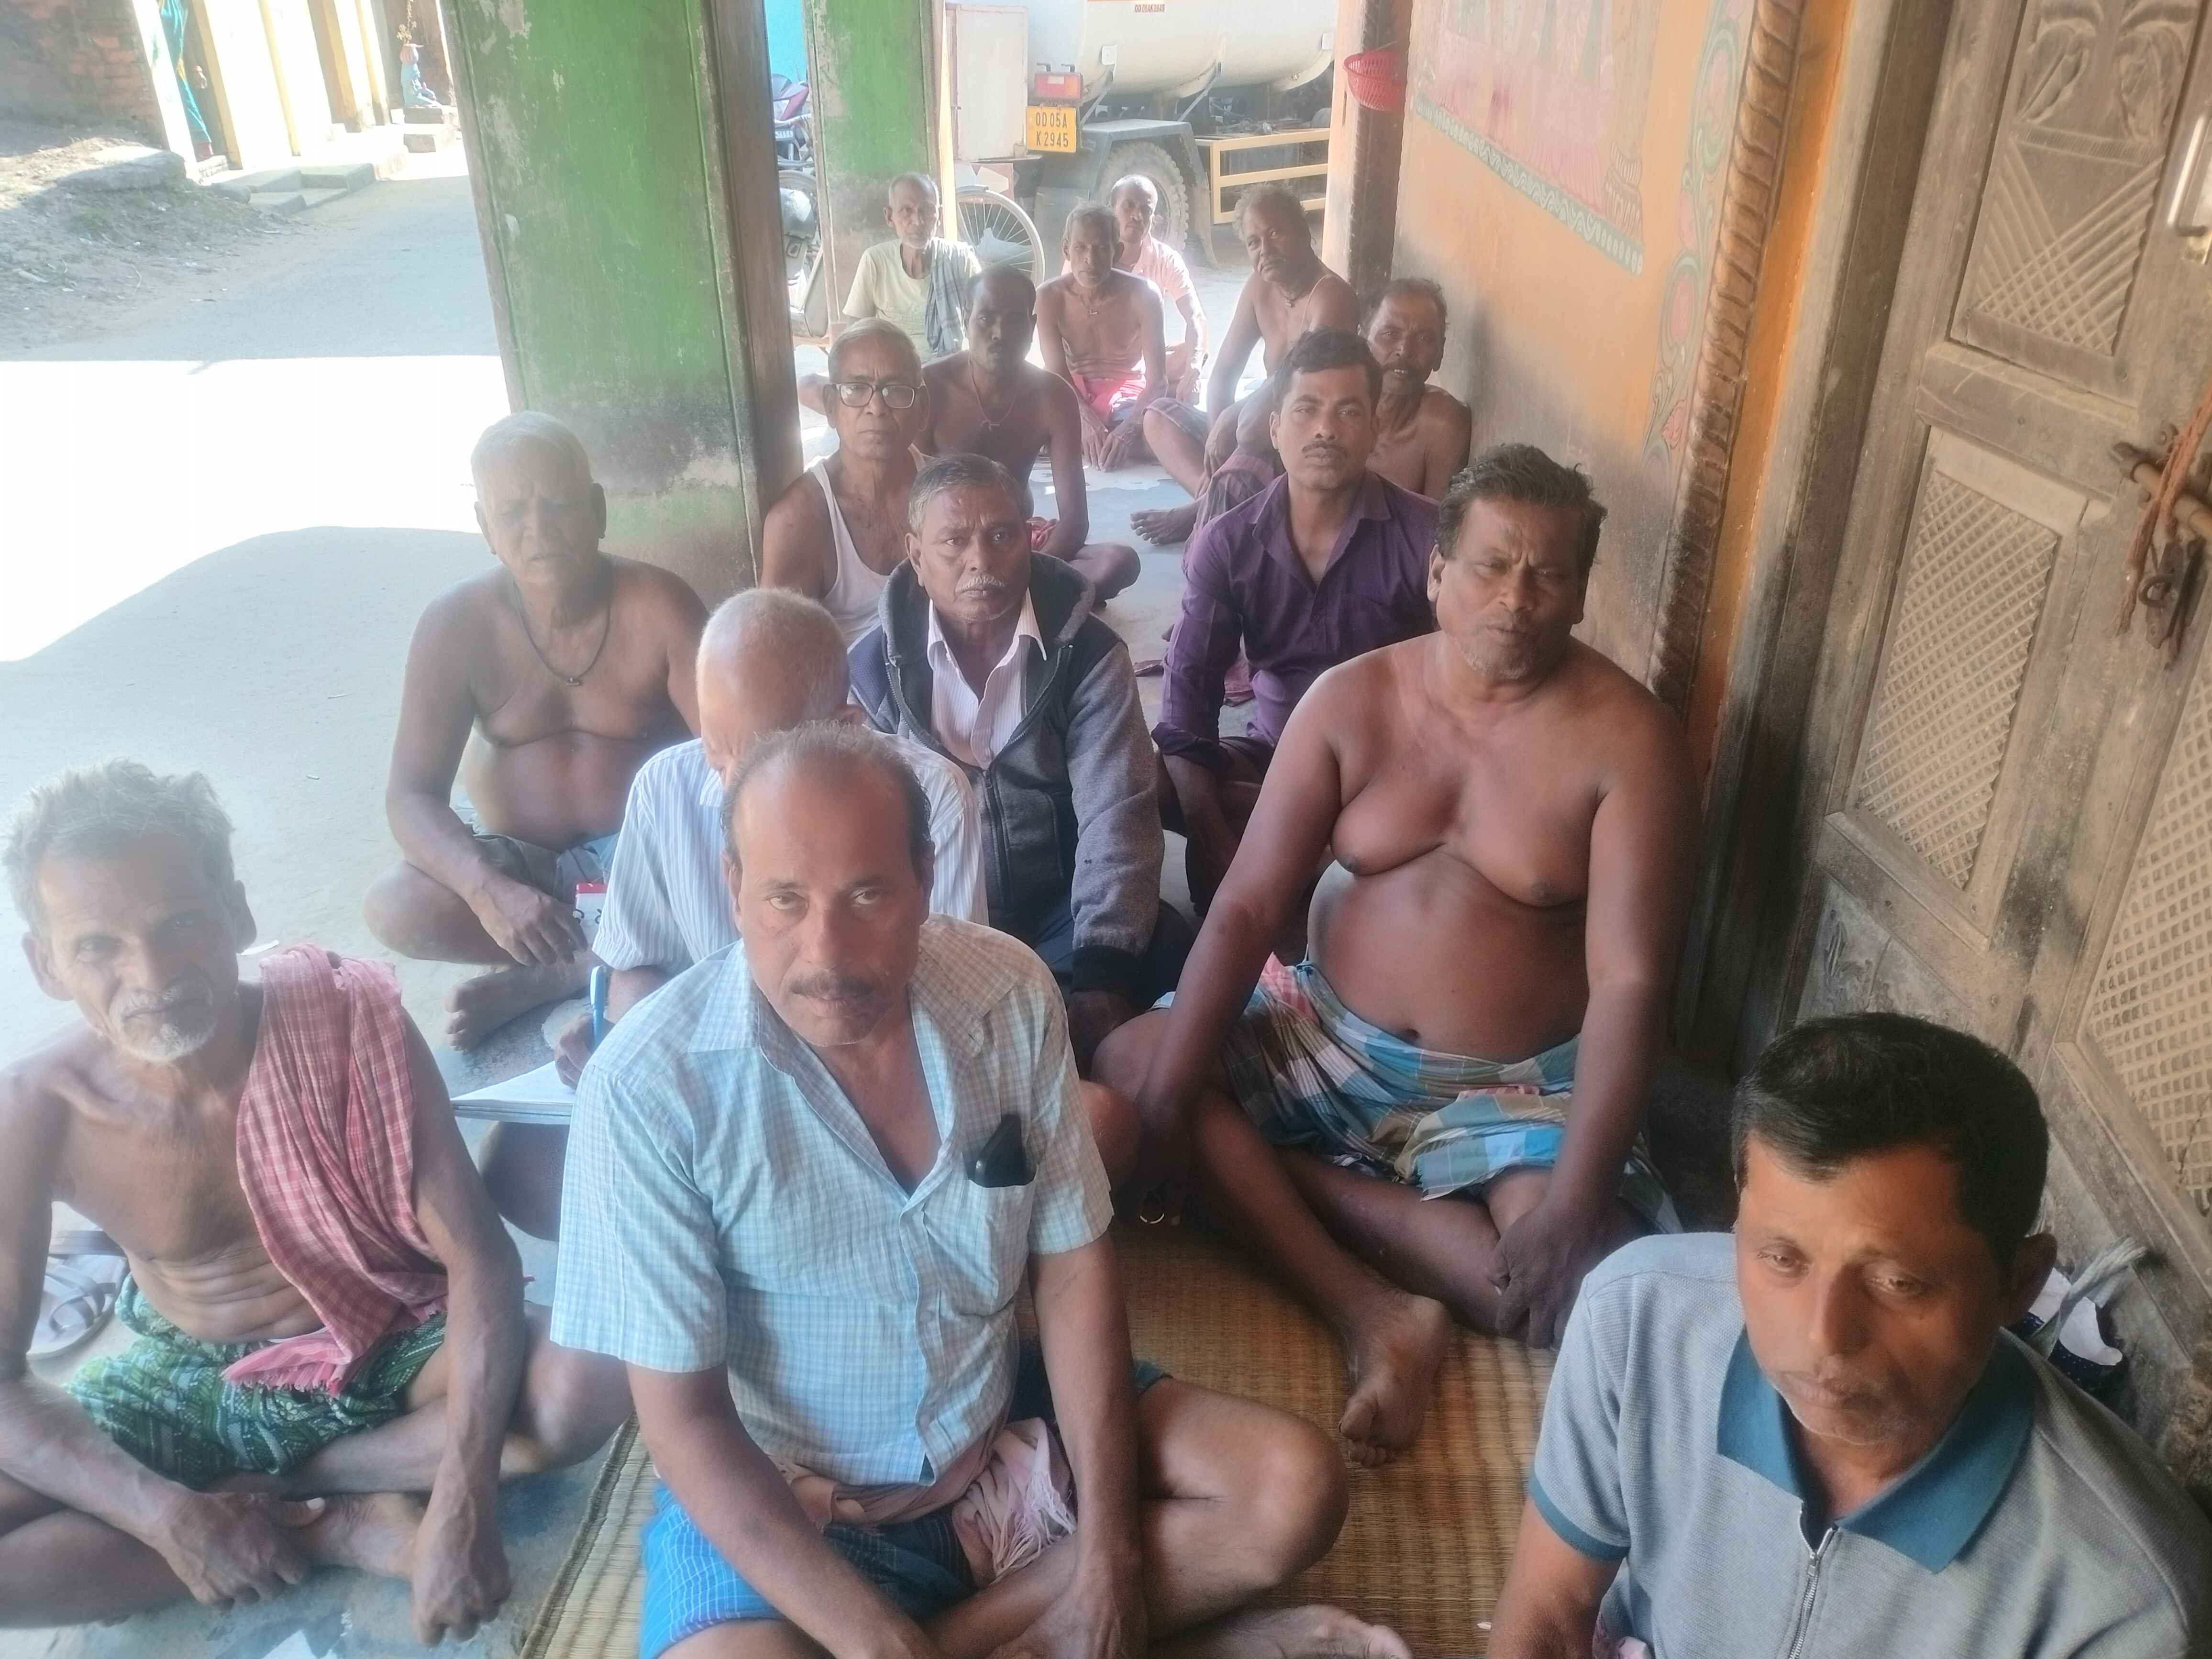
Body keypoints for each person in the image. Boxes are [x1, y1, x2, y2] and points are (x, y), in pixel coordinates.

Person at [553, 724, 1402, 1659]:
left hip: (993, 1415)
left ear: (924, 878)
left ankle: (1050, 1617)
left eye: (867, 893)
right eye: (783, 900)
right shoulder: (647, 1089)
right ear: (732, 888)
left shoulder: (1006, 993)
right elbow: (684, 1423)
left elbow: (1072, 1270)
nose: (825, 952)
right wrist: (877, 1641)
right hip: (791, 1495)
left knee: (1291, 1490)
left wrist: (1110, 1556)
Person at [1099, 445, 1697, 1465]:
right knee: (1129, 1072)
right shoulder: (1353, 699)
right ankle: (1371, 1309)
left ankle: (1278, 1180)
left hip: (1511, 1087)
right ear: (1435, 571)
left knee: (1560, 1290)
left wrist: (1575, 1201)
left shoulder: (1628, 743)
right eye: (1490, 565)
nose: (1515, 598)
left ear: (1579, 593)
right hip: (1322, 1034)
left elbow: (1630, 982)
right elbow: (1245, 907)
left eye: (1547, 574)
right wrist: (1165, 1102)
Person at [0, 762, 626, 1636]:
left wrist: (462, 1500)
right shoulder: (35, 1110)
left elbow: (479, 1257)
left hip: (395, 1339)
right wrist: (164, 1515)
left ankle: (294, 1487)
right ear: (46, 964)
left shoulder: (343, 1015)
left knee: (589, 1380)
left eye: (181, 924)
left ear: (236, 914)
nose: (151, 974)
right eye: (98, 946)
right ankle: (334, 1527)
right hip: (191, 1375)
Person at [1489, 1013, 2212, 1659]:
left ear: (2017, 1283)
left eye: (1898, 1282)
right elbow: (1550, 1611)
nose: (1823, 1335)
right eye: (1781, 1258)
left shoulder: (2128, 1605)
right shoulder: (1639, 1324)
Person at [495, 588, 989, 1241]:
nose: (729, 789)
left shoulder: (932, 797)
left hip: (877, 1080)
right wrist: (621, 1041)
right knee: (517, 1172)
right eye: (715, 753)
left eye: (756, 758)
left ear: (843, 729)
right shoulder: (665, 789)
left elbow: (942, 1009)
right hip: (715, 1088)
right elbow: (637, 965)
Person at [363, 412, 705, 1048]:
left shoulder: (662, 607)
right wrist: (487, 889)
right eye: (514, 512)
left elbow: (731, 766)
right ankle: (607, 955)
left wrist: (680, 864)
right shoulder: (455, 625)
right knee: (395, 905)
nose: (539, 531)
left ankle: (561, 973)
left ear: (598, 511)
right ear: (485, 528)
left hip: (649, 864)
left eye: (559, 505)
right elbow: (410, 796)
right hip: (527, 871)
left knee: (732, 872)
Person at [851, 453, 1184, 1073]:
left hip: (1064, 908)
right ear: (916, 556)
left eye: (1002, 536)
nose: (980, 560)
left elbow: (1118, 812)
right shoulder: (872, 675)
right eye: (954, 541)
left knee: (1171, 964)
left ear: (1030, 540)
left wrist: (1103, 975)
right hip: (937, 927)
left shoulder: (1087, 656)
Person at [1153, 329, 1438, 911]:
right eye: (1306, 409)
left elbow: (1464, 689)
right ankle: (1302, 847)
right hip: (1274, 757)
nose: (1325, 430)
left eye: (1348, 412)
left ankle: (1319, 851)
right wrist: (1208, 831)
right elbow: (1187, 694)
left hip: (1390, 772)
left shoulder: (1427, 537)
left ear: (1375, 429)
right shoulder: (1227, 543)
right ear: (1275, 428)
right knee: (1151, 779)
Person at [1133, 185, 1358, 548]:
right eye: (1254, 242)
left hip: (1301, 434)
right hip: (1261, 425)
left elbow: (1296, 383)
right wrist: (1217, 440)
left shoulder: (1331, 296)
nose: (1264, 250)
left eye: (1276, 233)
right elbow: (1223, 374)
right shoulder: (1260, 288)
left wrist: (1230, 423)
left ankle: (1207, 508)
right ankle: (1210, 495)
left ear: (1304, 232)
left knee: (1249, 428)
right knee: (1157, 416)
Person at [922, 266, 1141, 601]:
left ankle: (1015, 598)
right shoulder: (931, 387)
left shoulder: (1053, 396)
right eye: (986, 319)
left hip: (1018, 541)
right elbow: (913, 506)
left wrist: (1022, 571)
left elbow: (1074, 522)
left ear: (1033, 325)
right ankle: (1037, 603)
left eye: (1015, 320)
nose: (1000, 333)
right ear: (966, 319)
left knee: (1118, 562)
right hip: (951, 545)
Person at [766, 320, 930, 645]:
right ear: (831, 406)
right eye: (855, 389)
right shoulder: (799, 519)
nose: (877, 408)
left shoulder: (946, 493)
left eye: (896, 389)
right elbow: (777, 653)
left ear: (922, 408)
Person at [1035, 206, 1197, 477]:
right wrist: (1085, 420)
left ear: (1118, 252)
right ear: (1066, 249)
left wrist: (1129, 430)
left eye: (1101, 249)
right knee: (1021, 422)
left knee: (1162, 433)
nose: (1090, 259)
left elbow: (1157, 381)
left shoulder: (1144, 295)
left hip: (1128, 395)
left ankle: (1090, 440)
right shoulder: (1049, 297)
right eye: (1080, 248)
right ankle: (1086, 437)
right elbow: (1057, 375)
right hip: (1071, 395)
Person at [840, 172, 984, 363]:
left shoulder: (960, 259)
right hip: (895, 369)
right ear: (889, 217)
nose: (918, 221)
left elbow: (985, 316)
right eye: (907, 211)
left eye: (926, 210)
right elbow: (855, 328)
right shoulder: (875, 261)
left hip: (951, 368)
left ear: (939, 216)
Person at [1361, 278, 1470, 498]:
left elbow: (1437, 517)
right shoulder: (1333, 404)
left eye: (1424, 338)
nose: (1405, 351)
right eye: (1390, 334)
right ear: (1363, 340)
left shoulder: (1441, 425)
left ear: (1440, 352)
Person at [1107, 174, 1206, 401]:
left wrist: (1194, 367)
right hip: (1098, 362)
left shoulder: (1166, 259)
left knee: (1195, 351)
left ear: (1153, 217)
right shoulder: (1091, 254)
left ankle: (1151, 388)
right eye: (1128, 206)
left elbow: (1196, 316)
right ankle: (1154, 392)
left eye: (1146, 209)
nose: (1137, 216)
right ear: (1112, 209)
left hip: (1143, 363)